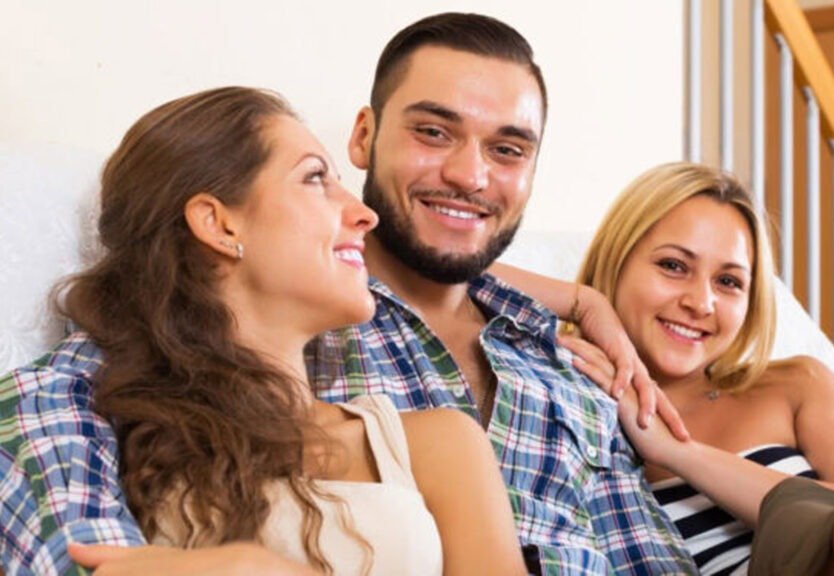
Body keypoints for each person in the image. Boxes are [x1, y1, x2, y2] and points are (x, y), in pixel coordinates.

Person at [0, 13, 695, 576]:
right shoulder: (91, 393)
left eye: (508, 150)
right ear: (365, 135)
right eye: (432, 130)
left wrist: (582, 301)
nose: (471, 176)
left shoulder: (570, 374)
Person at [0, 86, 526, 575]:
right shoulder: (95, 424)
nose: (364, 214)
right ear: (220, 223)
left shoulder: (440, 444)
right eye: (316, 178)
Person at [498, 161, 834, 575]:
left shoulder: (795, 384)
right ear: (616, 263)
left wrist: (680, 454)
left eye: (728, 282)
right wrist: (583, 302)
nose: (700, 302)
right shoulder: (569, 392)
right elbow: (437, 272)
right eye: (673, 266)